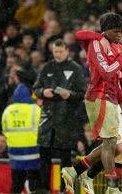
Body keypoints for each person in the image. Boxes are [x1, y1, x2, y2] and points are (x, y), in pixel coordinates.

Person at [62, 12, 122, 194]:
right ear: (106, 30)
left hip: (114, 99)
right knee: (112, 143)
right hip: (99, 97)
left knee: (118, 145)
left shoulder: (117, 47)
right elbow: (107, 72)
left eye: (121, 31)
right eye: (116, 31)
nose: (119, 35)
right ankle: (112, 188)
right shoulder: (97, 44)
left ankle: (76, 171)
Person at [33, 38, 86, 193]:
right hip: (48, 119)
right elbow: (36, 88)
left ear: (67, 51)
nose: (58, 54)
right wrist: (43, 92)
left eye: (61, 51)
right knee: (44, 156)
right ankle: (44, 188)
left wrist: (69, 95)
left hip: (66, 119)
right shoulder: (47, 67)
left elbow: (82, 93)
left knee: (66, 158)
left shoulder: (75, 68)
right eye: (55, 51)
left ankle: (66, 189)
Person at [2, 83, 41, 194]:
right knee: (34, 184)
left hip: (15, 154)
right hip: (33, 153)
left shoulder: (7, 111)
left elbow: (5, 132)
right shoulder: (35, 109)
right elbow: (42, 130)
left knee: (17, 183)